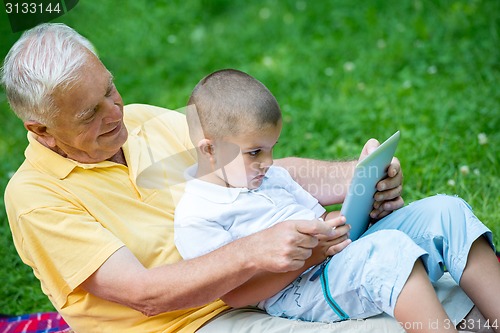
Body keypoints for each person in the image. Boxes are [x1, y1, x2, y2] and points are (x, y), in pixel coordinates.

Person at [0, 22, 495, 333]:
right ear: (40, 129)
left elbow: (251, 166)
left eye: (111, 89)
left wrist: (358, 181)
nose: (115, 112)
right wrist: (258, 251)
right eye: (90, 114)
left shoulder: (145, 121)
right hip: (196, 322)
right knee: (400, 296)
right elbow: (144, 295)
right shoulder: (35, 197)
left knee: (448, 265)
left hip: (282, 277)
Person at [173, 69, 499, 332]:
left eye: (272, 148)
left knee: (446, 210)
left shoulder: (271, 177)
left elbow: (320, 217)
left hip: (337, 258)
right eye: (256, 152)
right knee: (388, 252)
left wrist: (353, 209)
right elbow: (234, 294)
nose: (269, 162)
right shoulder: (198, 214)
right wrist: (310, 255)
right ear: (210, 150)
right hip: (300, 290)